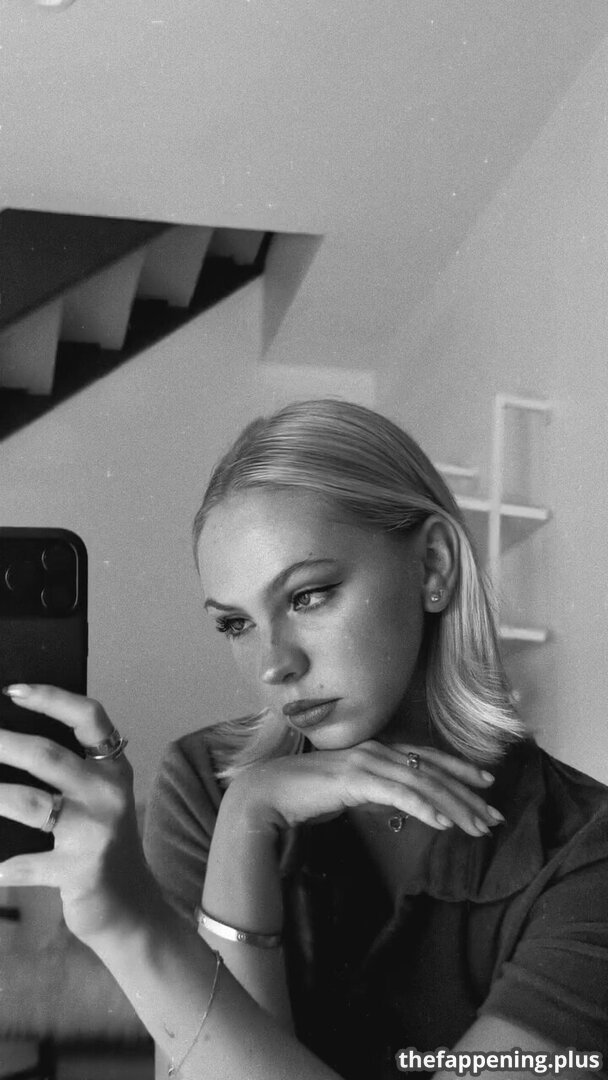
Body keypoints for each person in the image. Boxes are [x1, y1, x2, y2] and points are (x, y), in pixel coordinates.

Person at [0, 398, 607, 1080]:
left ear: (433, 566)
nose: (273, 665)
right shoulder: (205, 781)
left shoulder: (588, 848)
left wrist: (137, 929)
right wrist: (242, 821)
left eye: (308, 596)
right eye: (235, 624)